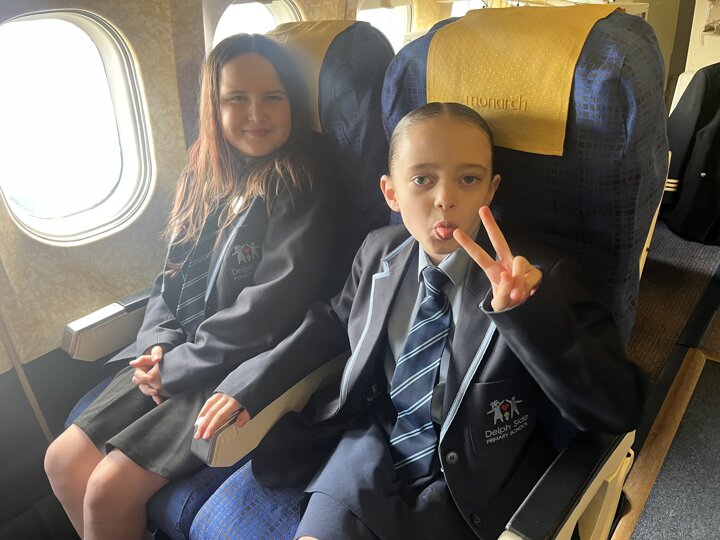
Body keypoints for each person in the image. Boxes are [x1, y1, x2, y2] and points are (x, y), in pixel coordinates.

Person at [192, 102, 646, 540]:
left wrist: (529, 315)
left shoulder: (537, 278)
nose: (445, 199)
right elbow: (332, 322)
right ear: (391, 192)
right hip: (370, 449)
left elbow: (616, 409)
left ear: (491, 190)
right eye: (423, 179)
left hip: (472, 481)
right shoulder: (379, 251)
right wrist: (251, 382)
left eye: (468, 179)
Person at [44, 33, 342, 540]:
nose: (257, 113)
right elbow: (173, 274)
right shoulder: (204, 171)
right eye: (237, 98)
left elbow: (272, 306)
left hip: (234, 362)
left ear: (292, 102)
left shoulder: (299, 179)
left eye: (273, 97)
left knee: (107, 490)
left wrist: (178, 368)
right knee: (61, 461)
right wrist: (157, 344)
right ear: (213, 106)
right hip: (179, 351)